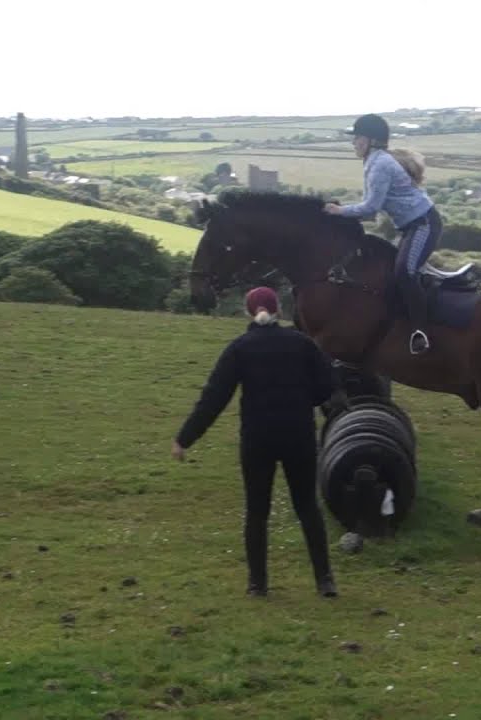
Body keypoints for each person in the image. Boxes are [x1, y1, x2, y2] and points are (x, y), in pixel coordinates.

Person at [171, 286, 340, 598]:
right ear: (278, 310)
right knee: (307, 507)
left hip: (257, 438)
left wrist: (185, 438)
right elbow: (328, 385)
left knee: (257, 510)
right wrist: (305, 399)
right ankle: (324, 580)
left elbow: (214, 397)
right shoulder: (302, 344)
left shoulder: (240, 348)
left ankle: (258, 584)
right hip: (298, 435)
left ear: (249, 312)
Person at [325, 113, 443, 356]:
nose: (353, 143)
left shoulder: (379, 165)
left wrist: (339, 211)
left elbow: (370, 208)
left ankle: (421, 332)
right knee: (389, 270)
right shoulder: (374, 161)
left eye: (357, 138)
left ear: (371, 141)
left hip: (423, 224)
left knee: (404, 272)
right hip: (411, 226)